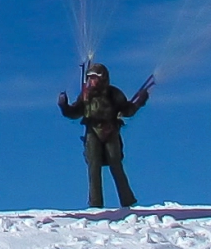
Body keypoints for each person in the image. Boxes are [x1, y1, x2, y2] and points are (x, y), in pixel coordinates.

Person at [59, 63, 148, 209]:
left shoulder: (114, 94)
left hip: (111, 131)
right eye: (90, 78)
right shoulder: (86, 95)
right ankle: (95, 204)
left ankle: (128, 202)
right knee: (94, 167)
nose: (91, 81)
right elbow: (75, 112)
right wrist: (64, 107)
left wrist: (139, 102)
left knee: (116, 165)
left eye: (94, 78)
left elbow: (128, 110)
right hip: (92, 132)